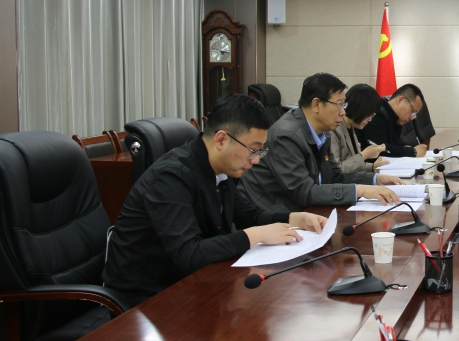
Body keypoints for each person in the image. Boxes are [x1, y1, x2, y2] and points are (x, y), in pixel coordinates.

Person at [102, 95, 328, 306]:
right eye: (253, 149)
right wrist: (254, 235)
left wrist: (294, 218)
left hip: (193, 282)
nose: (256, 160)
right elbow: (189, 253)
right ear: (221, 139)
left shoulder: (219, 169)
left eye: (260, 151)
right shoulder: (170, 177)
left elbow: (247, 215)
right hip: (147, 298)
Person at [237, 72, 400, 211]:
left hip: (303, 211)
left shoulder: (323, 133)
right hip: (271, 215)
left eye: (344, 105)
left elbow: (335, 176)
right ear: (316, 104)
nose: (343, 112)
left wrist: (374, 179)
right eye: (339, 105)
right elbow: (305, 192)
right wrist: (360, 191)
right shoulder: (287, 136)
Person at [329, 83, 387, 173]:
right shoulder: (333, 129)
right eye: (370, 114)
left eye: (373, 115)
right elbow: (335, 170)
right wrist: (364, 155)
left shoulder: (351, 127)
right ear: (360, 108)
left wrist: (372, 167)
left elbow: (352, 164)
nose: (370, 119)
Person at [364, 84, 428, 157]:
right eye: (412, 111)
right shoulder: (377, 113)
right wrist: (412, 151)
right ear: (400, 100)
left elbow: (396, 143)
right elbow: (379, 149)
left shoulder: (394, 116)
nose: (412, 117)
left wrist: (406, 146)